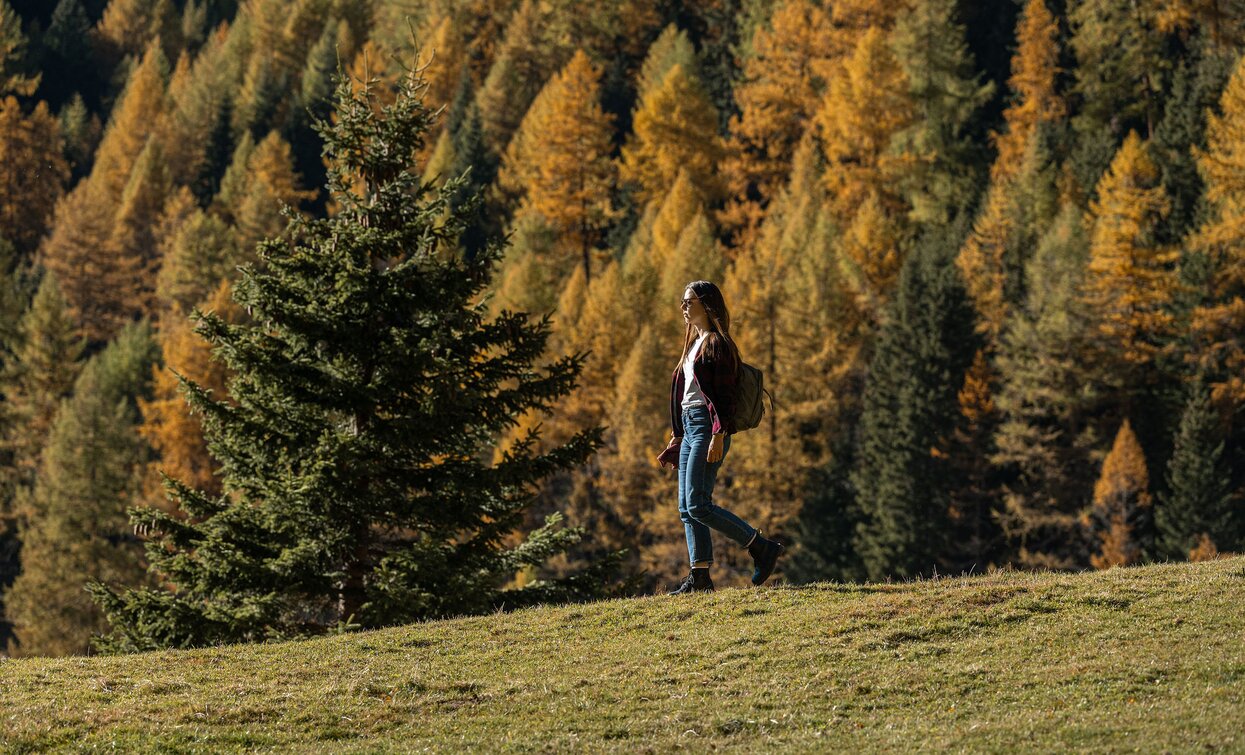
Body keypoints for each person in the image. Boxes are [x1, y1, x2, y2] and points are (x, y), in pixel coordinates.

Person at [656, 280, 784, 594]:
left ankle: (760, 547)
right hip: (689, 428)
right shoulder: (695, 344)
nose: (684, 307)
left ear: (706, 304)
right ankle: (700, 577)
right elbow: (686, 394)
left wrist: (718, 433)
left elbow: (724, 397)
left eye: (689, 301)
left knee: (699, 504)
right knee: (686, 508)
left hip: (707, 427)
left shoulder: (717, 343)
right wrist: (677, 435)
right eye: (683, 302)